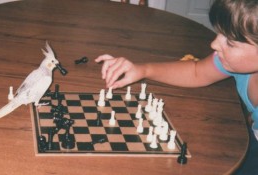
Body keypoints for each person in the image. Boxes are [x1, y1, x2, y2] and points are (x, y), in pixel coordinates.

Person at [95, 0, 258, 140]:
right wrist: (142, 70)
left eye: (230, 42)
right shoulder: (233, 62)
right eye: (220, 33)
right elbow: (197, 73)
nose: (214, 44)